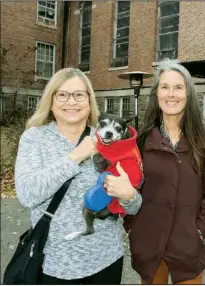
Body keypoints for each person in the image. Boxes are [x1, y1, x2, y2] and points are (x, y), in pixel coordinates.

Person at [15, 68, 142, 284]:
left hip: (106, 259)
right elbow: (27, 195)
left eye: (79, 94)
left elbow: (133, 206)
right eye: (62, 94)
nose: (71, 102)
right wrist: (75, 156)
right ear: (51, 99)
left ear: (89, 99)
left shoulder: (110, 138)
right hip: (54, 263)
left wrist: (129, 195)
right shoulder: (35, 138)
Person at [123, 61, 205, 284]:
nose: (171, 94)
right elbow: (131, 190)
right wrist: (132, 227)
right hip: (149, 244)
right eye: (165, 87)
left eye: (178, 87)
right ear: (156, 94)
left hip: (188, 246)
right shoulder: (141, 140)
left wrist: (201, 232)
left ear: (188, 93)